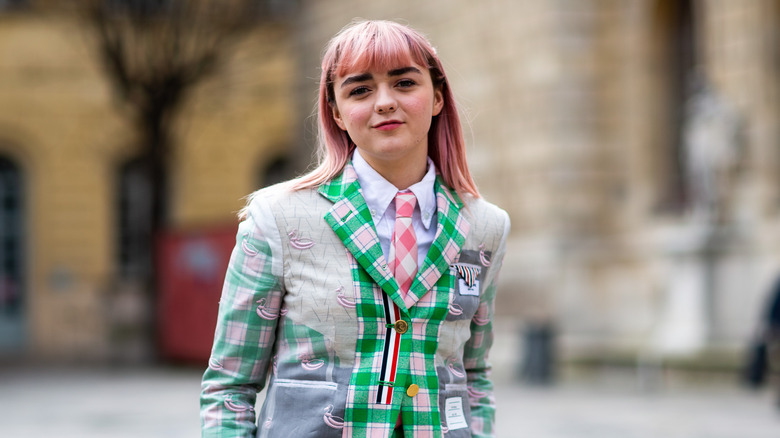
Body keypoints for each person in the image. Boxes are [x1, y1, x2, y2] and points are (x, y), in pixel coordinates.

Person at [200, 19, 510, 438]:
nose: (384, 102)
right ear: (337, 113)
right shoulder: (276, 217)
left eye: (404, 83)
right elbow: (229, 388)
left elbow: (474, 374)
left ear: (437, 97)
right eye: (360, 90)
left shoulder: (486, 226)